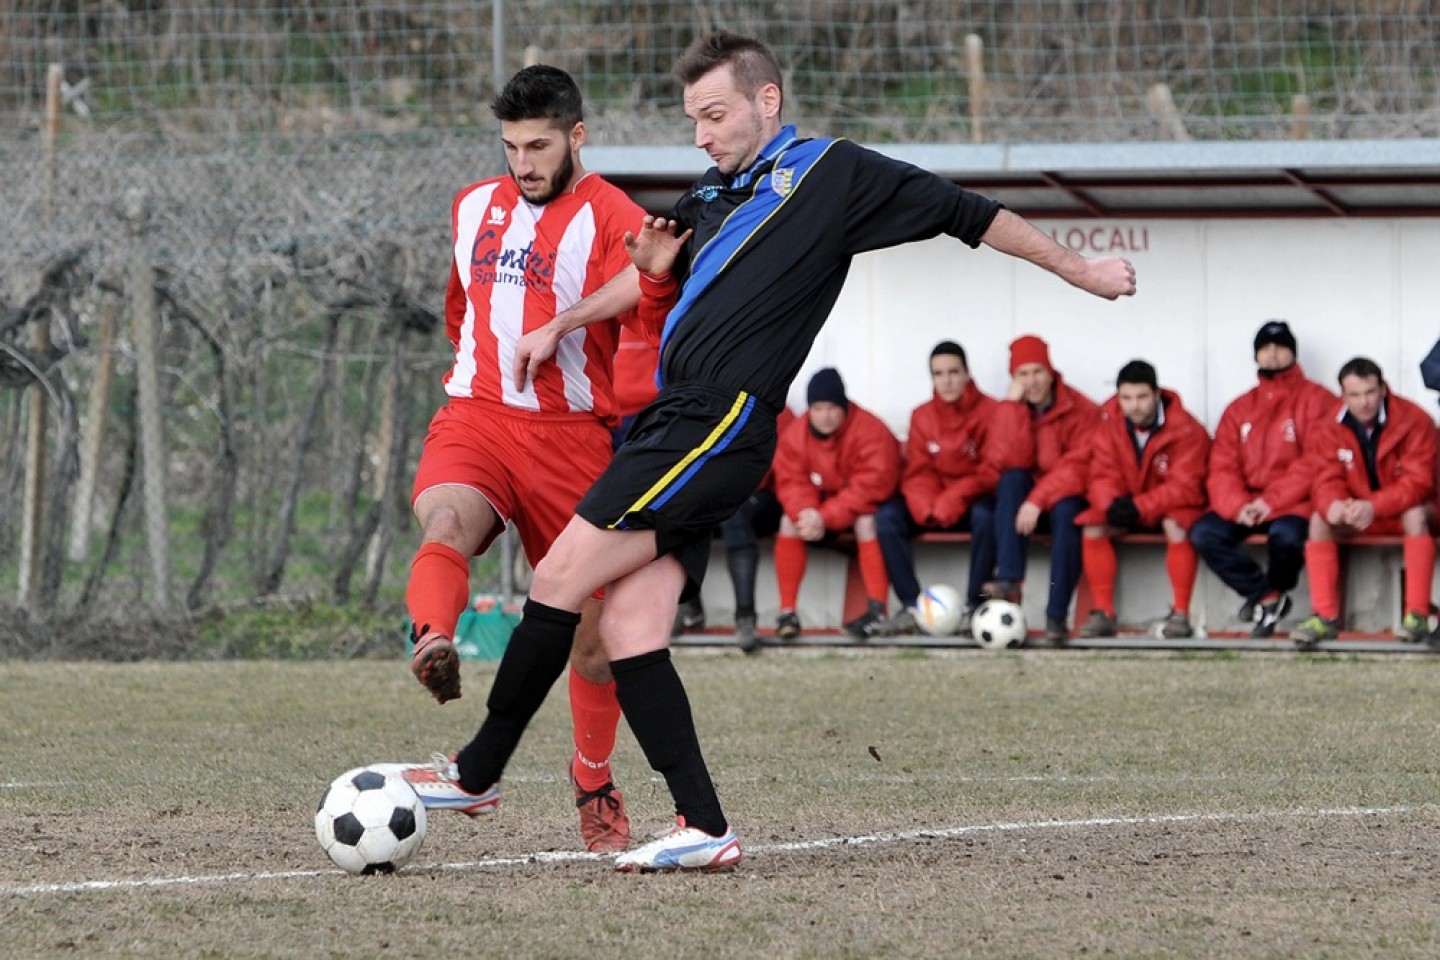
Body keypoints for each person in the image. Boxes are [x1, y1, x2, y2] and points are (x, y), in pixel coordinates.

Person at [408, 31, 1136, 874]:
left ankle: (478, 771)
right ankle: (704, 826)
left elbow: (969, 215)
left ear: (767, 102)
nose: (701, 135)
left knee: (558, 578)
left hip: (717, 421)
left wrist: (1078, 271)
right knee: (635, 624)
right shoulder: (714, 190)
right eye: (692, 120)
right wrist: (571, 319)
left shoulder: (835, 175)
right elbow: (652, 266)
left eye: (713, 115)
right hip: (673, 424)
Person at [397, 65, 653, 854]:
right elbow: (460, 311)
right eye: (510, 146)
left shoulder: (616, 217)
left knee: (593, 633)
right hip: (477, 415)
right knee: (444, 518)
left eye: (538, 145)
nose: (523, 162)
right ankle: (433, 638)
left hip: (575, 436)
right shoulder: (473, 206)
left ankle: (593, 775)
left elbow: (646, 297)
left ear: (576, 137)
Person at [1189, 321, 1336, 637]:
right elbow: (1222, 467)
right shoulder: (1240, 407)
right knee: (1204, 533)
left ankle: (1266, 601)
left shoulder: (1318, 400)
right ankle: (1268, 597)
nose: (1272, 355)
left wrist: (1270, 502)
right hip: (1246, 504)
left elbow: (1315, 462)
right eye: (1265, 348)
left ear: (1293, 353)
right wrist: (1238, 505)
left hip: (1291, 505)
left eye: (1280, 347)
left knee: (1287, 539)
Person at [1290, 357, 1438, 646]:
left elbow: (1419, 483)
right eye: (1355, 395)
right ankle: (1325, 616)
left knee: (1415, 515)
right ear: (1343, 395)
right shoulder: (1327, 424)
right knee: (1320, 520)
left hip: (1400, 511)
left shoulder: (1414, 419)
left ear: (1383, 389)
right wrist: (1333, 504)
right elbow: (1323, 476)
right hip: (1359, 512)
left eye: (1370, 392)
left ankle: (1417, 615)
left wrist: (1374, 505)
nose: (1364, 402)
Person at [974, 335, 1102, 642]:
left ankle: (1056, 617)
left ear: (1050, 371)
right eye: (1023, 374)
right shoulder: (1009, 408)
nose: (1032, 382)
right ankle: (1009, 580)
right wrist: (1012, 407)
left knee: (1068, 511)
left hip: (1059, 500)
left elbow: (1079, 466)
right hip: (1023, 508)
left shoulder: (1080, 408)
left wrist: (1037, 499)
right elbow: (1006, 460)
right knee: (1012, 479)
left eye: (1037, 372)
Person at [1074, 360, 1211, 639]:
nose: (1134, 405)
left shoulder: (1186, 428)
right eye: (1126, 398)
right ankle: (1104, 613)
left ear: (1157, 394)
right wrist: (1110, 503)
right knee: (1093, 524)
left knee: (1177, 524)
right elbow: (1101, 473)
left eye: (1142, 397)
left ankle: (1181, 614)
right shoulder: (1108, 425)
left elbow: (1185, 486)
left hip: (1164, 508)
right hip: (1129, 506)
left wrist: (1138, 506)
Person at [876, 341, 998, 635]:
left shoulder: (992, 411)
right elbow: (918, 470)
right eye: (939, 373)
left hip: (972, 501)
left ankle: (974, 606)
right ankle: (912, 607)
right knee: (886, 518)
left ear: (967, 374)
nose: (947, 380)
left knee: (988, 517)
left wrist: (954, 497)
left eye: (954, 372)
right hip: (933, 504)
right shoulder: (922, 415)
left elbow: (991, 470)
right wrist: (924, 505)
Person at [772, 368, 902, 639]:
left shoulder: (871, 430)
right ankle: (787, 613)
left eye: (832, 407)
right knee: (788, 521)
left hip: (853, 513)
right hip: (820, 516)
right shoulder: (796, 435)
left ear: (844, 406)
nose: (826, 415)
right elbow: (791, 481)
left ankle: (877, 610)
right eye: (818, 408)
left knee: (867, 521)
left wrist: (825, 517)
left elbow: (872, 485)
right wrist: (805, 513)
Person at [720, 404, 797, 653]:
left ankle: (745, 618)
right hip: (718, 493)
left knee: (735, 513)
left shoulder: (781, 413)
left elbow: (786, 469)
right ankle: (688, 608)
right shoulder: (713, 404)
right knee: (676, 513)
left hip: (767, 496)